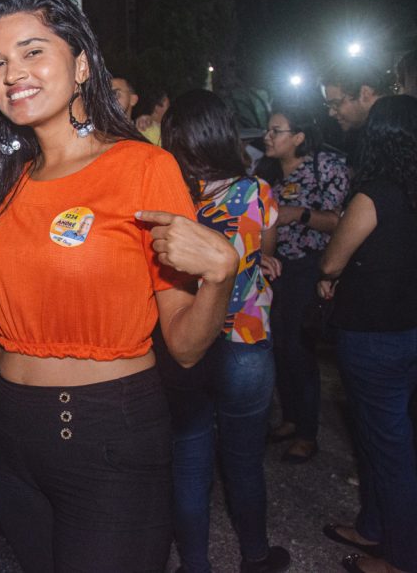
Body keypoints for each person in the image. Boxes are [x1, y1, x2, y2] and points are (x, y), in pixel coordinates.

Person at [0, 0, 238, 573]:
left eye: (33, 51)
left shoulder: (143, 167)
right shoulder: (4, 181)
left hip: (106, 434)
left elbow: (186, 349)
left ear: (82, 64)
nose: (13, 72)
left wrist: (221, 275)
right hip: (6, 429)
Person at [159, 89, 289, 573]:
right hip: (247, 347)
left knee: (189, 465)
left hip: (187, 341)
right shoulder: (258, 193)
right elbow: (261, 249)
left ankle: (196, 565)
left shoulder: (172, 204)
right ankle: (255, 555)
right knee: (244, 462)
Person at [318, 95, 417, 573]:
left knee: (390, 449)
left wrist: (331, 268)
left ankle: (401, 558)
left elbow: (333, 259)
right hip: (408, 329)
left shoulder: (375, 194)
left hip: (374, 336)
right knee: (382, 439)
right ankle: (373, 527)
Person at [256, 106, 348, 463]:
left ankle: (308, 433)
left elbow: (342, 222)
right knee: (278, 347)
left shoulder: (324, 167)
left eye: (276, 130)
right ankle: (291, 419)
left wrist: (300, 215)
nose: (268, 136)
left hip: (309, 267)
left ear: (299, 137)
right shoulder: (266, 172)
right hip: (275, 268)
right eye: (268, 129)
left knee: (299, 349)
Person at [321, 60, 391, 165]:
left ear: (365, 93)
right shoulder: (367, 133)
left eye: (336, 103)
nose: (331, 113)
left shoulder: (399, 131)